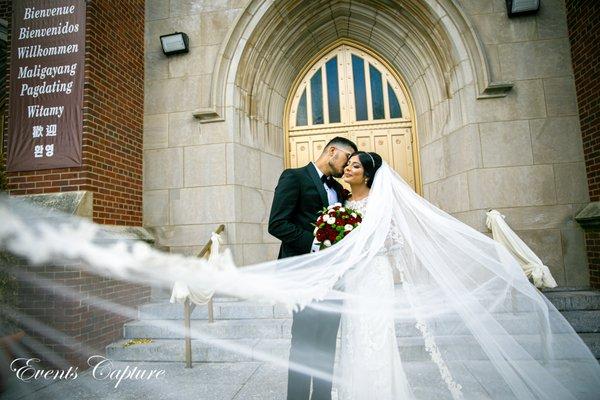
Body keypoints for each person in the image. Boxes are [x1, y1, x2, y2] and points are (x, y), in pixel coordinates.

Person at [267, 136, 357, 400]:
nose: (347, 166)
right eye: (346, 159)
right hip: (302, 276)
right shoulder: (293, 177)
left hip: (334, 279)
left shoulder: (339, 191)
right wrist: (319, 243)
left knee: (327, 344)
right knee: (303, 345)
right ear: (332, 151)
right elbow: (277, 224)